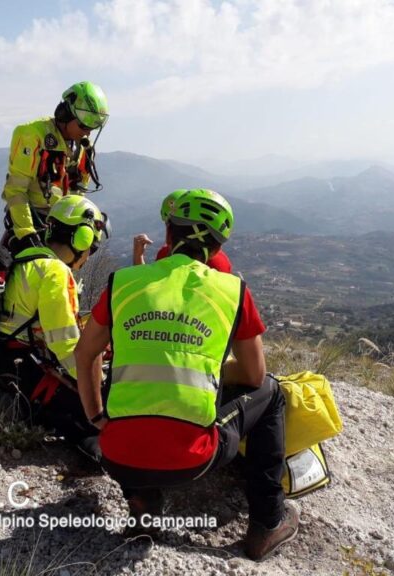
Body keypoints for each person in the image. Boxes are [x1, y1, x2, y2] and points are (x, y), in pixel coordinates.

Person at [76, 189, 299, 561]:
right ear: (216, 248)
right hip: (194, 457)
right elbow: (254, 374)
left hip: (115, 452)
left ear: (168, 234)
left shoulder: (124, 282)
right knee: (272, 392)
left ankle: (142, 505)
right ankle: (267, 522)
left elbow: (85, 354)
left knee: (141, 415)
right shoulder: (233, 290)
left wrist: (96, 416)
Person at [0, 195, 110, 461]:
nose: (88, 256)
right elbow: (65, 345)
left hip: (3, 367)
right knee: (100, 421)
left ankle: (17, 407)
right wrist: (98, 386)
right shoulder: (55, 273)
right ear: (83, 239)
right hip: (29, 373)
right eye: (92, 248)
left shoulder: (26, 258)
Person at [2, 81, 109, 253]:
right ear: (65, 114)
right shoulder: (33, 135)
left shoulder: (84, 149)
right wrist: (26, 233)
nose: (87, 132)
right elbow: (15, 190)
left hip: (60, 226)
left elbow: (78, 194)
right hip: (31, 220)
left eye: (92, 128)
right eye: (83, 126)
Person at [132, 189, 232, 272]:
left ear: (169, 233)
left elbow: (150, 286)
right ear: (217, 248)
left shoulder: (165, 254)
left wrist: (138, 257)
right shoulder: (221, 264)